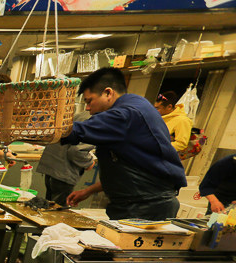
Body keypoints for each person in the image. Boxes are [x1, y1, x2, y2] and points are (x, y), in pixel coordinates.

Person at [63, 68, 186, 221]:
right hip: (141, 202)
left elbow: (77, 131)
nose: (88, 108)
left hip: (146, 207)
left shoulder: (125, 114)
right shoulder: (137, 104)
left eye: (89, 101)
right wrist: (88, 191)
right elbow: (132, 166)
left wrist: (40, 128)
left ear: (108, 93)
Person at [35, 111, 95, 206]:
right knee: (58, 213)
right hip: (64, 172)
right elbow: (76, 151)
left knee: (50, 209)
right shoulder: (96, 121)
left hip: (53, 167)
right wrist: (89, 162)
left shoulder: (82, 114)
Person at [154, 90, 193, 157]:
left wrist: (156, 148)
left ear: (169, 107)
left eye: (157, 108)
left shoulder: (182, 120)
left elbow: (181, 144)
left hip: (162, 158)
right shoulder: (160, 118)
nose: (154, 110)